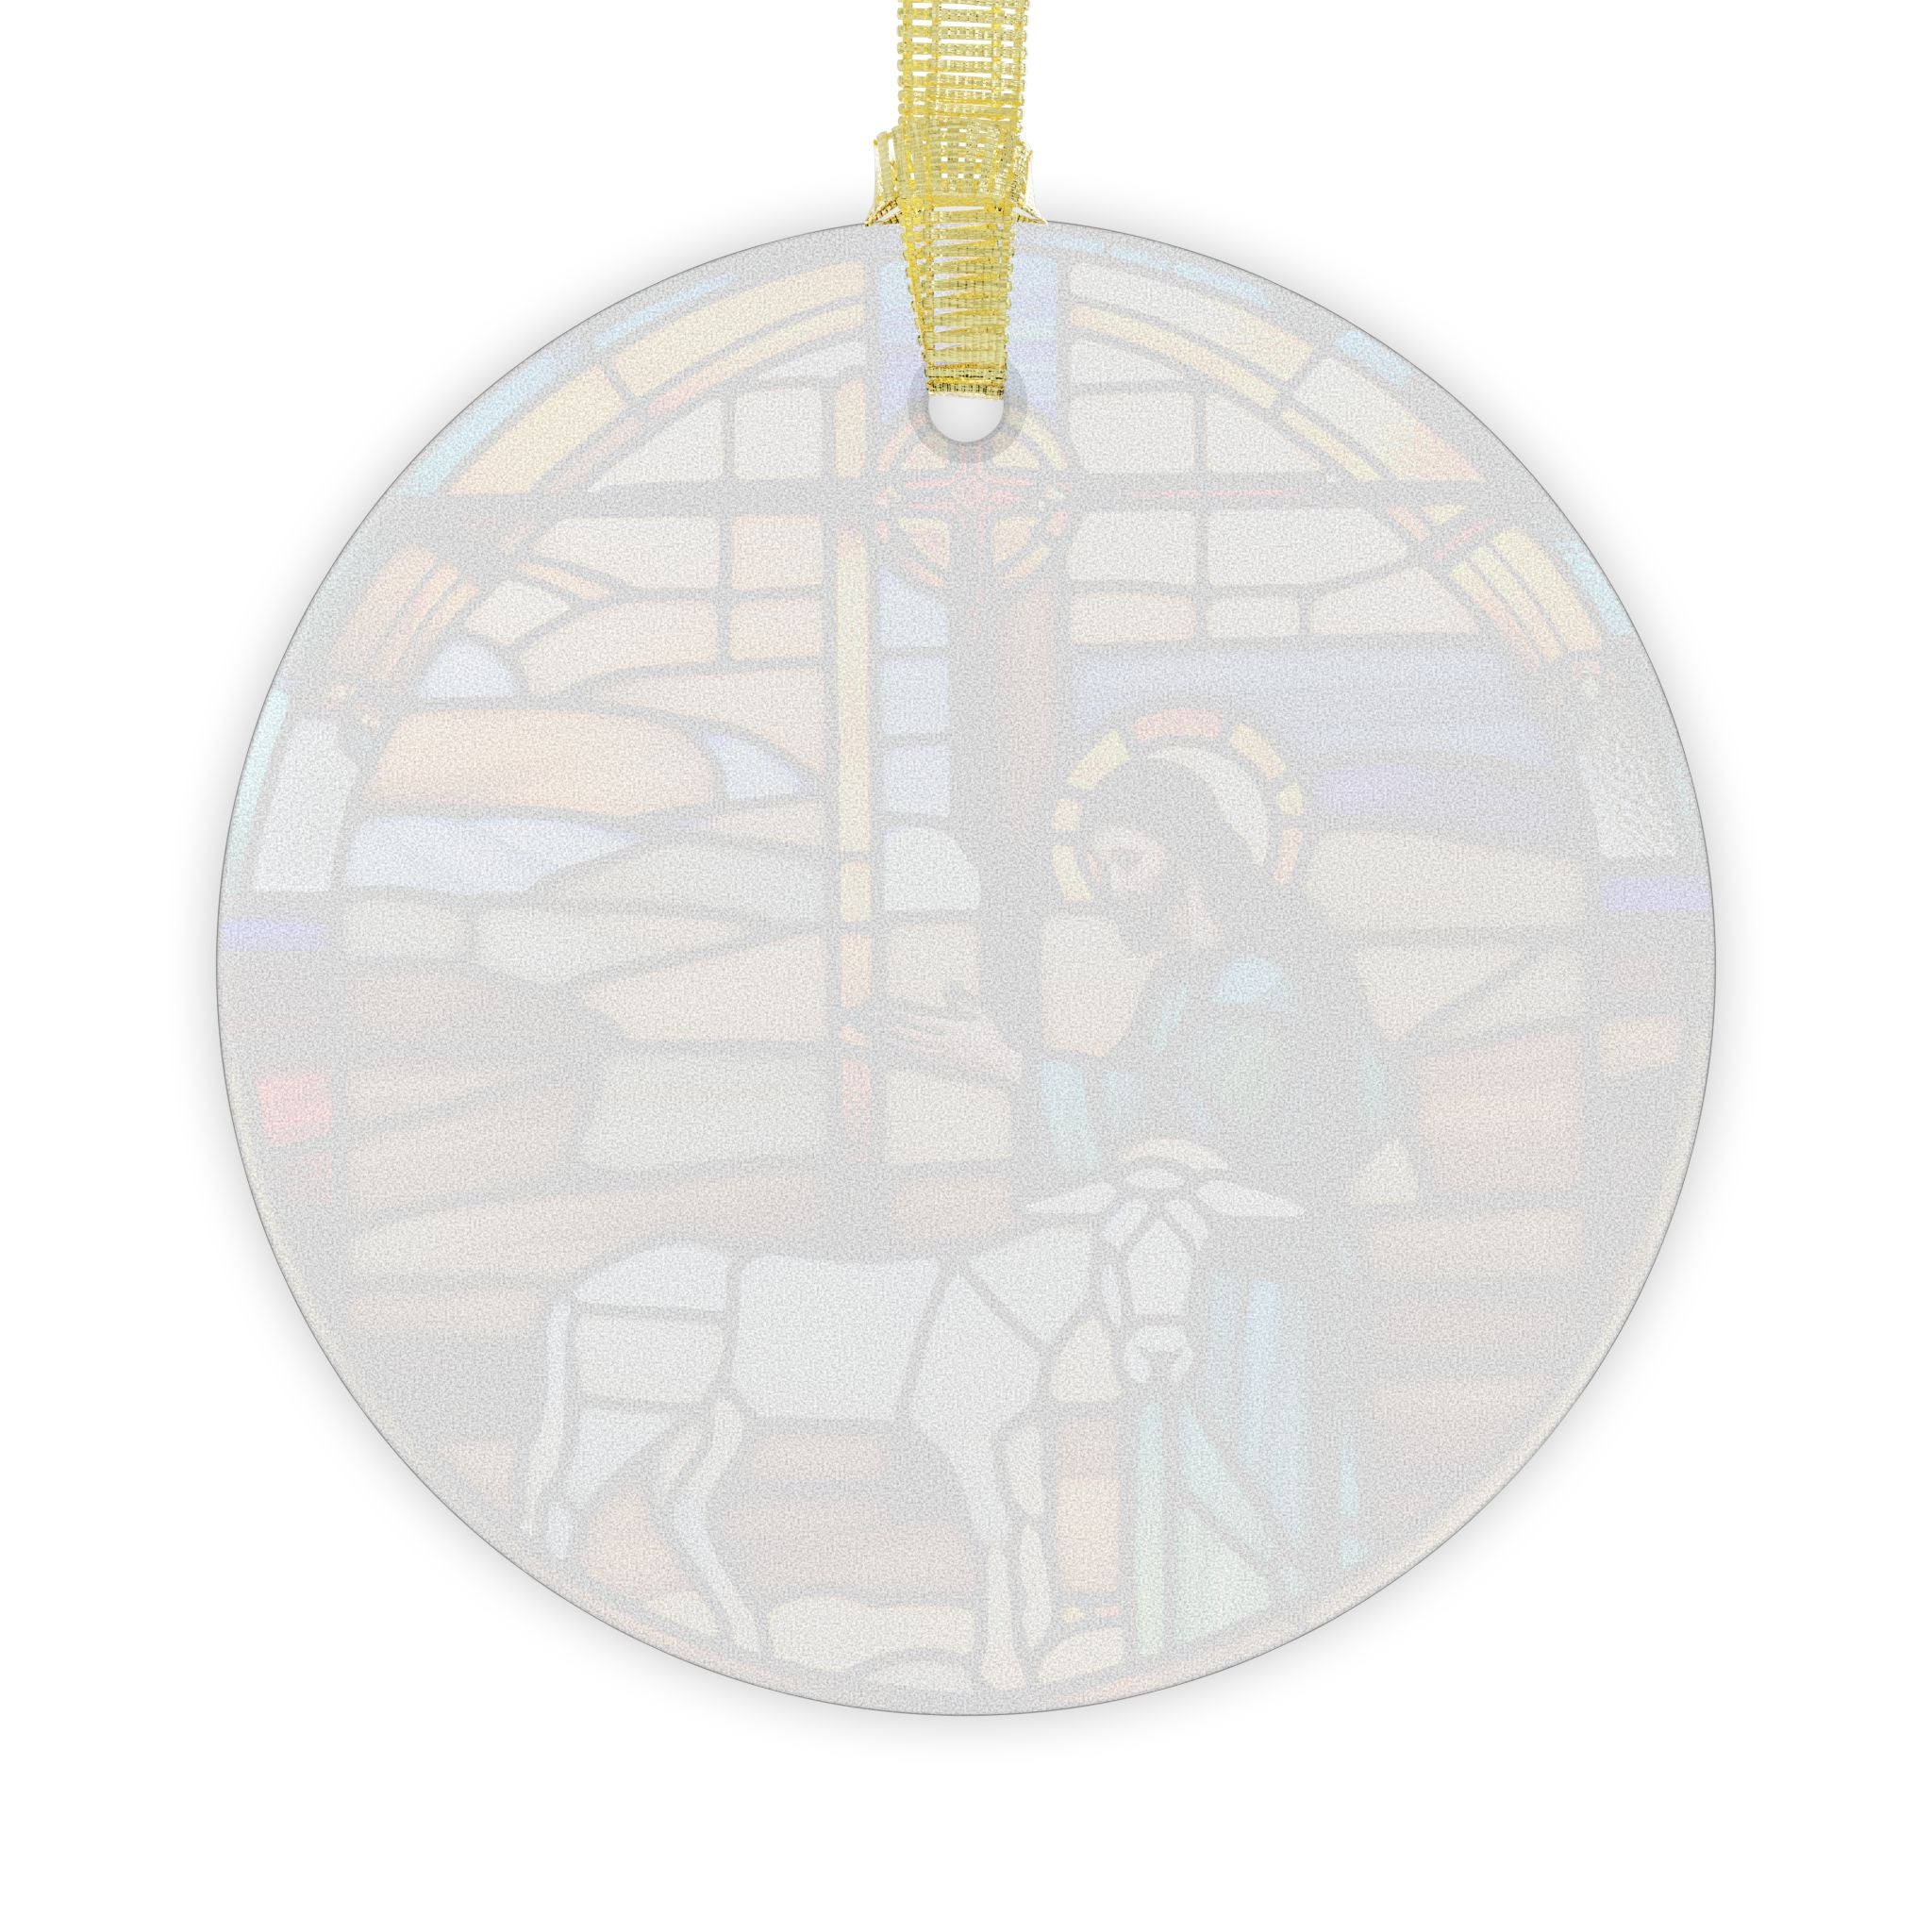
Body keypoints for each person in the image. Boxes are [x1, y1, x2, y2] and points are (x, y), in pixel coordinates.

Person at [885, 754, 1388, 1597]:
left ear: (1188, 854)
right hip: (1182, 1280)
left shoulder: (1264, 974)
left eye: (1127, 861)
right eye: (1098, 869)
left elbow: (1198, 1120)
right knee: (1186, 1506)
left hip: (1269, 1288)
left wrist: (1015, 1068)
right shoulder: (1181, 981)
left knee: (1259, 1499)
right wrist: (1021, 1072)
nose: (1111, 888)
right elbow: (1130, 1122)